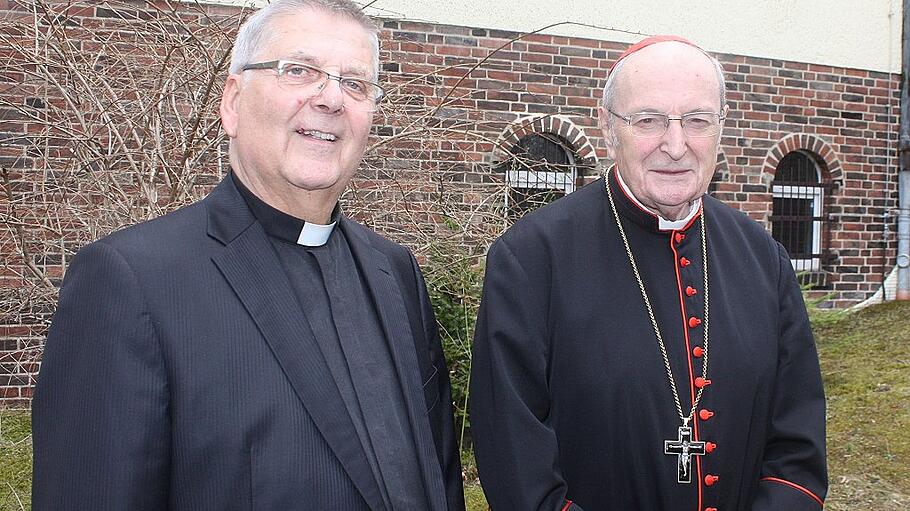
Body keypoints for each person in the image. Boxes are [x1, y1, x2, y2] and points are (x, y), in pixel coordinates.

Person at [31, 1, 465, 509]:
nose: (330, 99)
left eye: (355, 83)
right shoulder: (132, 281)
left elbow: (437, 471)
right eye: (298, 71)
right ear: (233, 102)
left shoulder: (394, 271)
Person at [470, 35, 827, 511]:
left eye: (697, 120)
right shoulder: (531, 259)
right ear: (608, 127)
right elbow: (515, 459)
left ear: (721, 128)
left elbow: (797, 448)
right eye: (649, 120)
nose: (675, 145)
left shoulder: (764, 258)